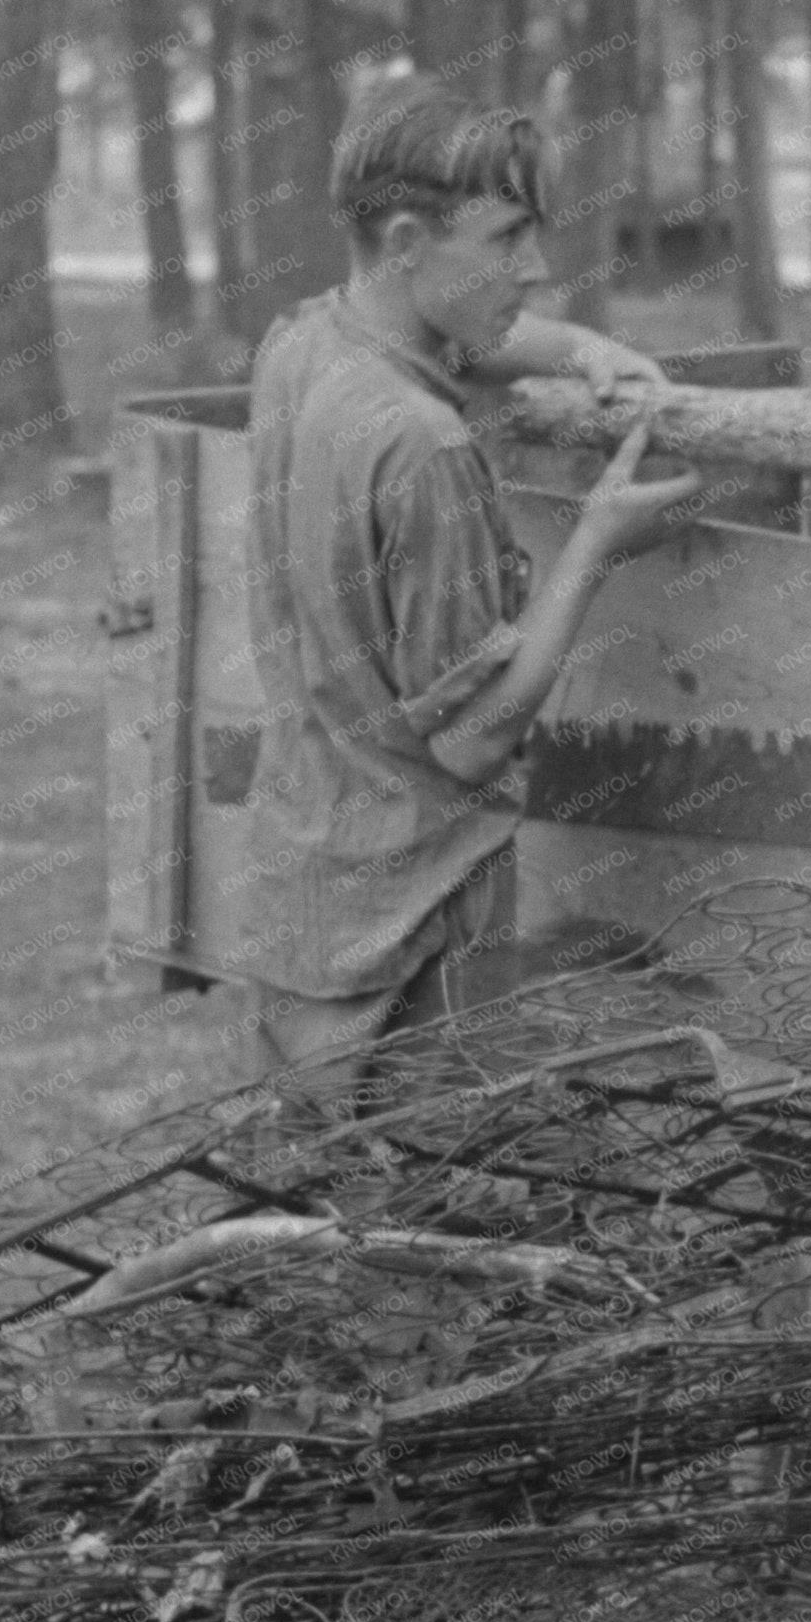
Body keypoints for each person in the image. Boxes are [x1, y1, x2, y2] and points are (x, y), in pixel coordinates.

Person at [236, 83, 702, 1117]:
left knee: (315, 1233)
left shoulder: (302, 348)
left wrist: (583, 350)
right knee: (435, 1243)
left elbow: (458, 334)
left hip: (306, 902)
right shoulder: (424, 445)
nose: (535, 269)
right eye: (507, 237)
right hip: (415, 937)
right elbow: (471, 742)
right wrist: (593, 540)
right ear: (406, 238)